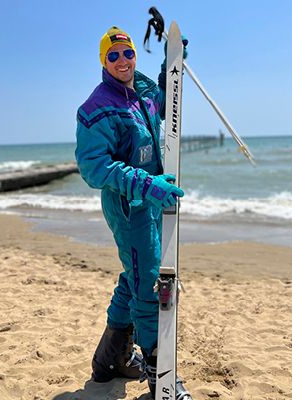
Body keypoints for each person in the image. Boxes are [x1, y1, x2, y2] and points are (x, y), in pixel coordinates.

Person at [74, 26, 192, 399]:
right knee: (147, 285)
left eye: (127, 53)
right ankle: (163, 378)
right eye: (113, 56)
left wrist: (169, 74)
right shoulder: (95, 108)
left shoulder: (139, 91)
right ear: (103, 62)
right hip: (130, 207)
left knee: (135, 275)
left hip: (154, 201)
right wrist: (145, 184)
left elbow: (161, 108)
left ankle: (109, 360)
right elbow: (94, 167)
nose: (122, 61)